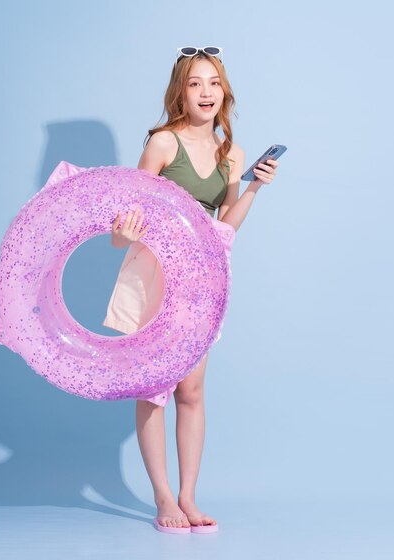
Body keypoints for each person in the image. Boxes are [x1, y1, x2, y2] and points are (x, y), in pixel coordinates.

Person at [102, 46, 279, 533]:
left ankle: (189, 496)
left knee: (192, 389)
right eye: (196, 83)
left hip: (200, 276)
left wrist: (255, 188)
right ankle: (163, 498)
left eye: (214, 83)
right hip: (155, 271)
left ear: (225, 92)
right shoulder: (162, 143)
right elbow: (121, 234)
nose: (206, 92)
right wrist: (128, 229)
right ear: (180, 91)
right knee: (153, 386)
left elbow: (226, 227)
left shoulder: (232, 153)